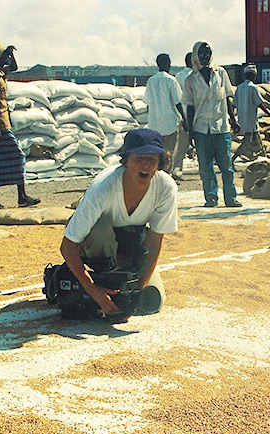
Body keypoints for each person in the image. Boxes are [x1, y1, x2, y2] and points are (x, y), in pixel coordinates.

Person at [60, 128, 178, 318]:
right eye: (139, 158)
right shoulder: (104, 186)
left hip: (130, 244)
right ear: (126, 161)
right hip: (95, 242)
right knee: (101, 230)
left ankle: (118, 277)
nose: (145, 165)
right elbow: (67, 246)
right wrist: (94, 292)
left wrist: (137, 290)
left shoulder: (165, 187)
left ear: (160, 163)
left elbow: (154, 241)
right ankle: (101, 276)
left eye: (152, 159)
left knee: (153, 302)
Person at [0, 42, 40, 210]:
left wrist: (10, 53)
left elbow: (14, 66)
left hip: (2, 123)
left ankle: (18, 196)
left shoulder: (0, 73)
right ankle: (17, 197)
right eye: (4, 56)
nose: (7, 59)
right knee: (14, 156)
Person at [182, 41, 242, 207]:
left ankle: (231, 198)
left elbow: (227, 98)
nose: (204, 56)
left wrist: (233, 119)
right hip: (201, 129)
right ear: (195, 55)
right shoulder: (190, 81)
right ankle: (211, 198)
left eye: (207, 53)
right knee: (206, 168)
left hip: (221, 128)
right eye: (201, 53)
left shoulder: (221, 73)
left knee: (227, 166)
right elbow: (190, 107)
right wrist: (191, 131)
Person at [144, 54, 186, 171]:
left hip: (154, 124)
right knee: (169, 153)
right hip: (169, 123)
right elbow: (178, 102)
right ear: (168, 63)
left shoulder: (151, 81)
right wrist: (185, 118)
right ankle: (167, 175)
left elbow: (148, 103)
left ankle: (157, 174)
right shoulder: (171, 80)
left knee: (157, 153)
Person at [232, 64, 270, 166]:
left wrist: (233, 119)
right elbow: (260, 104)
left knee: (258, 141)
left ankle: (264, 159)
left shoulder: (239, 88)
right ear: (252, 75)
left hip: (242, 119)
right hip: (250, 120)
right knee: (247, 142)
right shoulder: (253, 88)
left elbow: (233, 104)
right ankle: (232, 159)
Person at [172, 52, 194, 181]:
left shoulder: (178, 76)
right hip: (194, 116)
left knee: (181, 146)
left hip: (182, 116)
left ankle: (176, 170)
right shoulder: (195, 76)